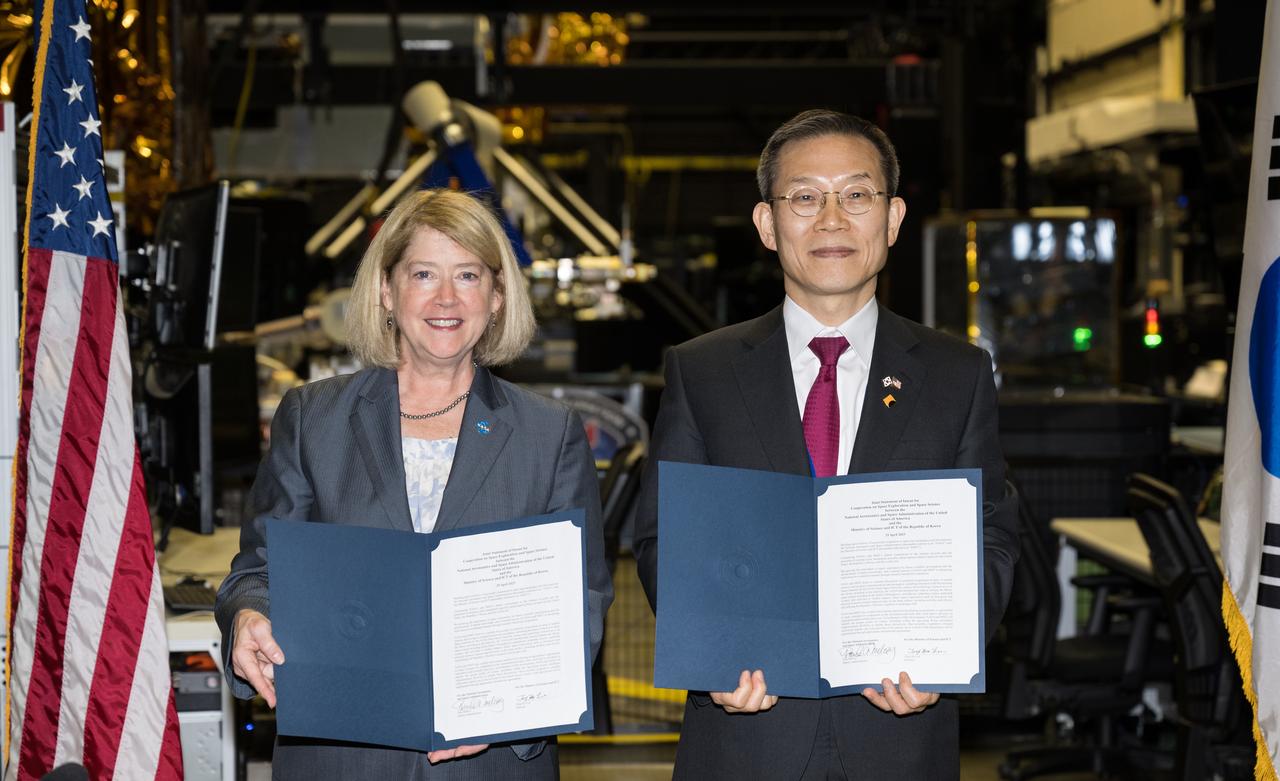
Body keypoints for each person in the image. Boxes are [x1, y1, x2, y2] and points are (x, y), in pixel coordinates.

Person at [632, 110, 1020, 779]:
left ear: (892, 218)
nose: (832, 219)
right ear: (767, 223)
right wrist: (714, 653)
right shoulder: (702, 370)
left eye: (857, 195)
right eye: (805, 197)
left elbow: (993, 536)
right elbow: (662, 537)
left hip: (901, 738)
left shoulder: (957, 374)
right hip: (743, 737)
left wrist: (946, 656)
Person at [214, 188, 613, 780]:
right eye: (423, 273)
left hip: (491, 762)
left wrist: (504, 718)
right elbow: (258, 572)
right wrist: (249, 615)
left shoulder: (548, 433)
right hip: (343, 754)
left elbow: (581, 604)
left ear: (498, 296)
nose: (447, 298)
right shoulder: (311, 419)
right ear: (386, 289)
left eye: (469, 276)